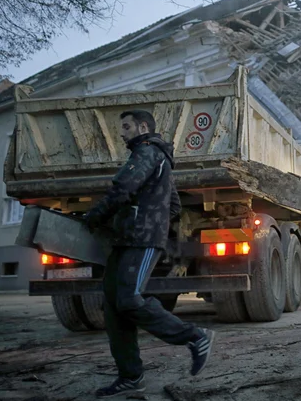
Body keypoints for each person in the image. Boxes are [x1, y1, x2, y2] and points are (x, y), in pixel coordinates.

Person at [85, 110, 215, 398]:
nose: (122, 133)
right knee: (113, 305)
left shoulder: (147, 152)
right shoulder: (159, 160)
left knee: (129, 300)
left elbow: (122, 189)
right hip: (128, 239)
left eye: (127, 126)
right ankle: (130, 377)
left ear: (143, 127)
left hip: (141, 240)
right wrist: (149, 217)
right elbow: (174, 206)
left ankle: (195, 337)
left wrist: (96, 216)